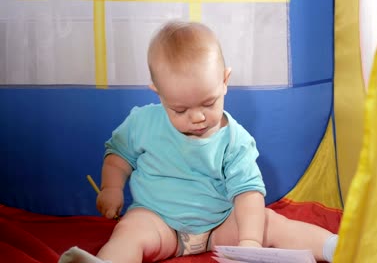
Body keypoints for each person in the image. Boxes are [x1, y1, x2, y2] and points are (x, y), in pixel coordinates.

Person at [59, 20, 338, 263]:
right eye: (179, 110)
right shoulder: (142, 123)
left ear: (225, 80)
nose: (197, 117)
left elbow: (248, 194)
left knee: (270, 223)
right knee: (129, 232)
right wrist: (111, 188)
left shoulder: (235, 140)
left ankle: (335, 247)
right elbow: (117, 158)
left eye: (209, 102)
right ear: (159, 93)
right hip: (160, 224)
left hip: (219, 227)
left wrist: (249, 243)